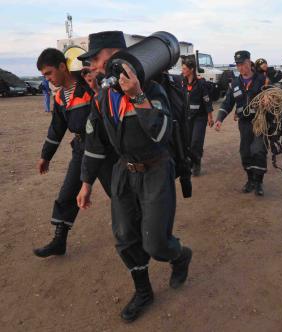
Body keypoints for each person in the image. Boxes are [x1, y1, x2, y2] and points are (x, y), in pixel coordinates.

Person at [76, 31, 192, 323]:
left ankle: (179, 256)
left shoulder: (152, 89)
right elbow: (95, 142)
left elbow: (163, 134)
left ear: (115, 54)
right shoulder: (102, 96)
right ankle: (143, 291)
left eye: (95, 59)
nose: (91, 65)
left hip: (155, 170)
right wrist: (86, 182)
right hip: (124, 172)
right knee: (126, 237)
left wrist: (137, 96)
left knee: (156, 244)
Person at [33, 48, 115, 258]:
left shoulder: (88, 86)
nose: (48, 79)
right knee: (68, 193)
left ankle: (143, 235)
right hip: (80, 149)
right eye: (44, 76)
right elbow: (57, 128)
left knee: (118, 193)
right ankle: (59, 241)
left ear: (62, 66)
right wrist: (46, 156)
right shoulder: (60, 97)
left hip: (103, 150)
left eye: (49, 73)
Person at [214, 51, 267, 196]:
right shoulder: (235, 83)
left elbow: (275, 98)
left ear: (250, 63)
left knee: (258, 150)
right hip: (244, 123)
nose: (241, 67)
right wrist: (219, 119)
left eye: (243, 64)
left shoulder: (262, 80)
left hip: (260, 122)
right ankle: (250, 179)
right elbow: (227, 103)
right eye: (238, 65)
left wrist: (268, 101)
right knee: (245, 152)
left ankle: (259, 182)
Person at [181, 57, 214, 176]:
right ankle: (191, 161)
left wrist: (210, 116)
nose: (182, 70)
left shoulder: (201, 83)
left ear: (191, 69)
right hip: (187, 117)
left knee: (196, 141)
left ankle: (197, 162)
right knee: (188, 142)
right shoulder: (182, 82)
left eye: (184, 68)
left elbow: (207, 100)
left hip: (200, 117)